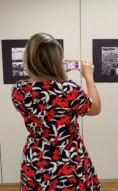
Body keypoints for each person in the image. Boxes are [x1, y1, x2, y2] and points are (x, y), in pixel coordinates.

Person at [11, 33, 102, 190]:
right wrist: (88, 77)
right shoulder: (68, 89)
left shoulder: (18, 89)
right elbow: (95, 109)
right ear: (56, 59)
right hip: (68, 159)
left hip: (36, 158)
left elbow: (44, 94)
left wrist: (57, 74)